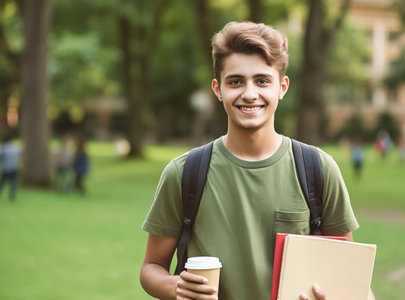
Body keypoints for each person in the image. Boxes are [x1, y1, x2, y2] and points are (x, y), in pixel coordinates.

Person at [140, 22, 374, 300]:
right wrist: (175, 286)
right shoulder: (184, 173)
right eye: (236, 81)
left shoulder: (318, 170)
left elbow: (353, 283)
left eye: (262, 81)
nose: (249, 93)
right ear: (218, 89)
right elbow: (151, 267)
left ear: (282, 87)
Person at [0, 133, 21, 202]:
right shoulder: (15, 147)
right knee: (13, 184)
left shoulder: (3, 148)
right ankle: (12, 197)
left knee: (2, 183)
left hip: (6, 169)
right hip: (13, 168)